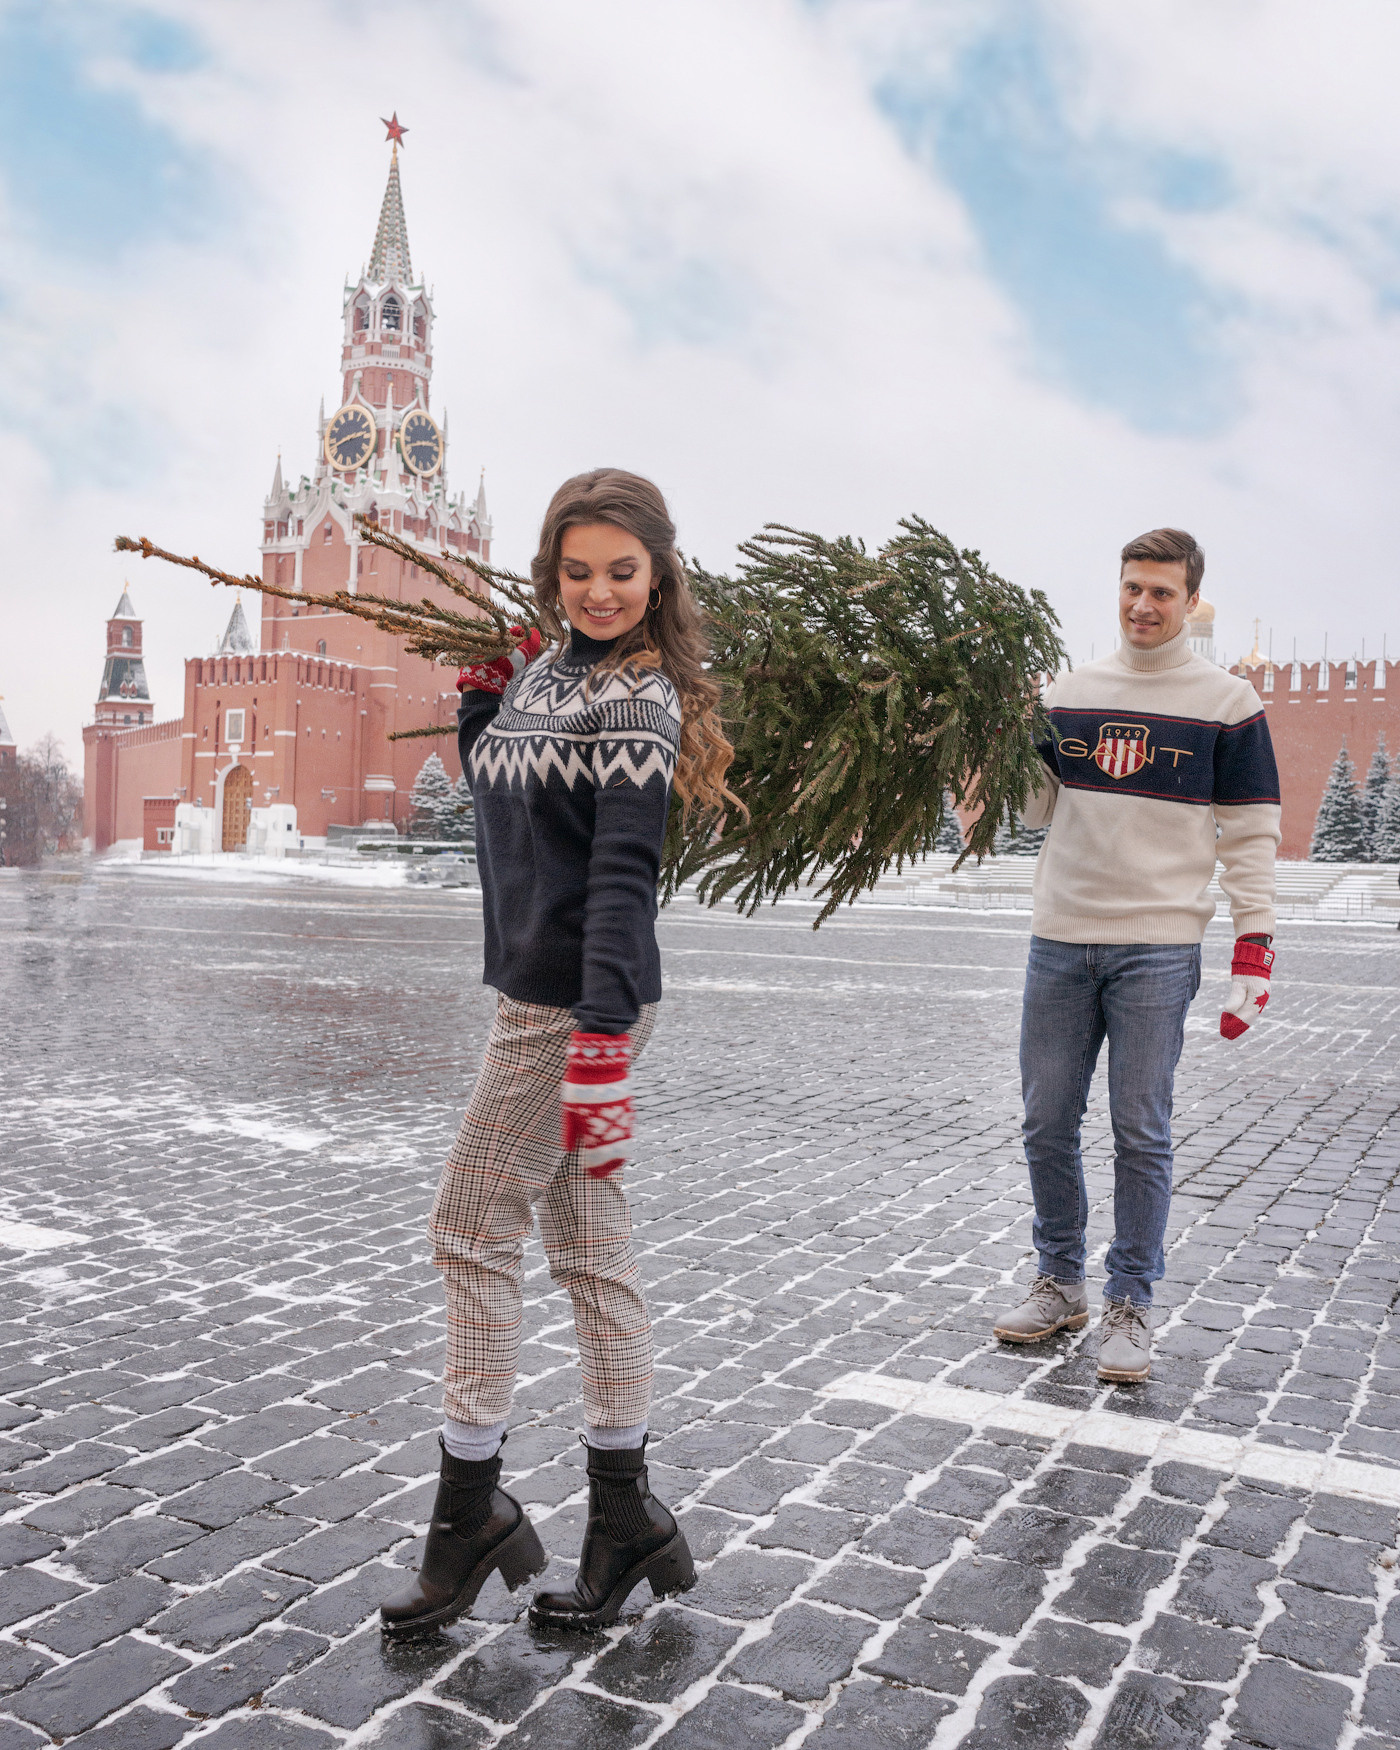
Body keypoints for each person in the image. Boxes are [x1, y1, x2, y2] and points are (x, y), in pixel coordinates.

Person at [381, 468, 737, 1634]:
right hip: (549, 999)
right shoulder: (546, 671)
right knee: (589, 1252)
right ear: (552, 573)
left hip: (571, 1009)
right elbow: (514, 809)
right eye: (576, 571)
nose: (597, 590)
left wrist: (595, 1036)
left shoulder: (638, 695)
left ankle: (469, 1513)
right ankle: (626, 1516)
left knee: (467, 1226)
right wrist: (486, 708)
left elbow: (623, 869)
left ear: (657, 575)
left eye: (620, 572)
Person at [993, 528, 1280, 1382]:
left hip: (1158, 945)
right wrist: (1008, 739)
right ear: (1116, 591)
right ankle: (1059, 1281)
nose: (1142, 605)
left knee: (1140, 1130)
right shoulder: (1071, 694)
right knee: (1046, 1122)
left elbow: (1252, 831)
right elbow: (1037, 811)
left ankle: (1130, 1300)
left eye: (1161, 592)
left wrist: (1255, 947)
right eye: (1131, 588)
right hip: (1060, 938)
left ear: (1191, 602)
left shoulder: (1227, 705)